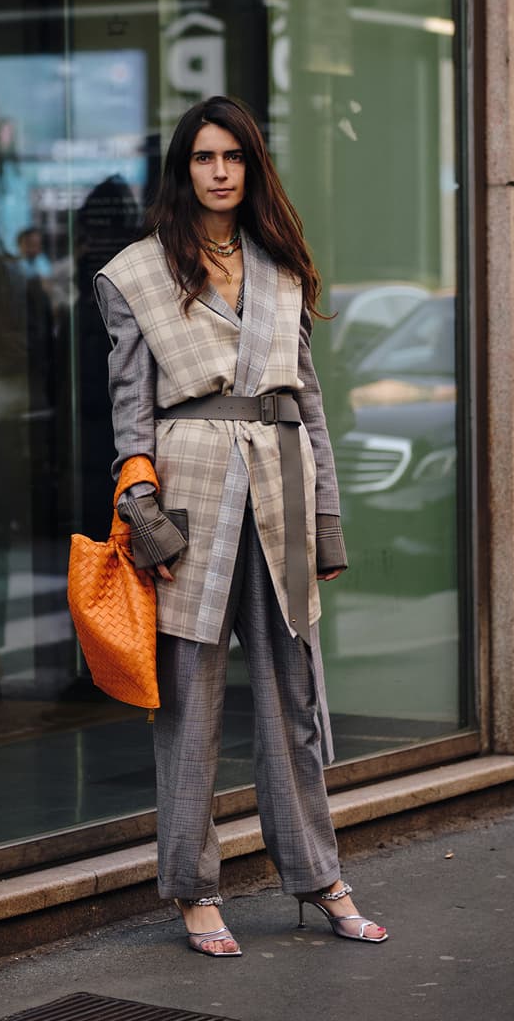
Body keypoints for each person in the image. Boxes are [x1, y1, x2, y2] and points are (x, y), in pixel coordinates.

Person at [94, 96, 388, 957]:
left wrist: (327, 519)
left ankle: (317, 875)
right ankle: (192, 890)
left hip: (283, 493)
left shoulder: (280, 268)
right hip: (189, 500)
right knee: (189, 706)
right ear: (182, 169)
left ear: (252, 168)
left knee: (290, 696)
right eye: (202, 157)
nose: (219, 171)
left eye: (234, 157)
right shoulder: (136, 274)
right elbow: (128, 412)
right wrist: (139, 506)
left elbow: (310, 405)